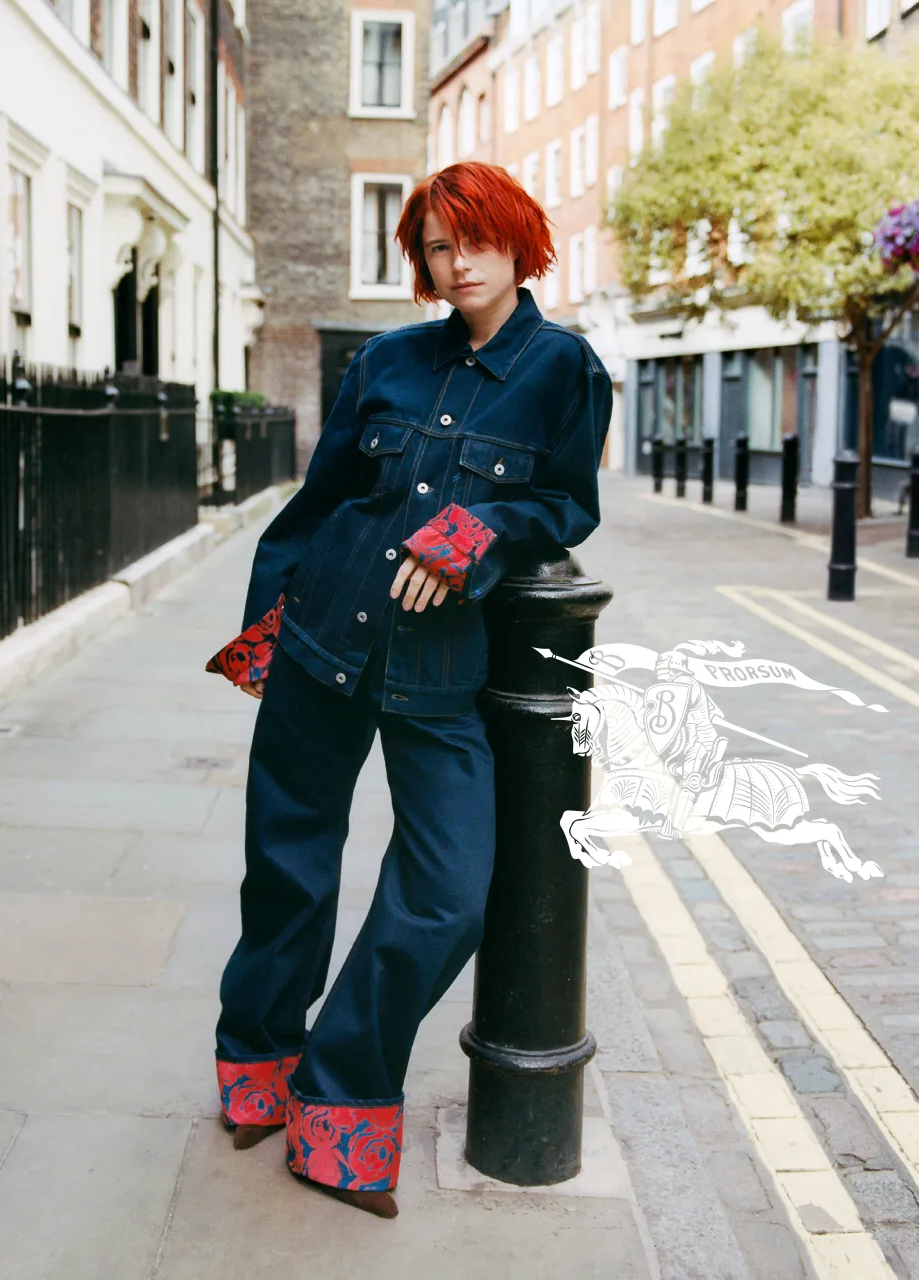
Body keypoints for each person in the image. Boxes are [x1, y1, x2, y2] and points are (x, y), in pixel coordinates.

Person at [205, 161, 613, 1219]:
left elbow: (566, 504)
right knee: (287, 868)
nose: (457, 261)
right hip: (319, 642)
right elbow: (319, 502)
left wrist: (473, 532)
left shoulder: (564, 369)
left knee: (447, 894)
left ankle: (337, 1080)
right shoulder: (386, 360)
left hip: (439, 672)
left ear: (518, 241)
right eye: (437, 245)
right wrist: (262, 627)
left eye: (474, 238)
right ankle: (255, 1060)